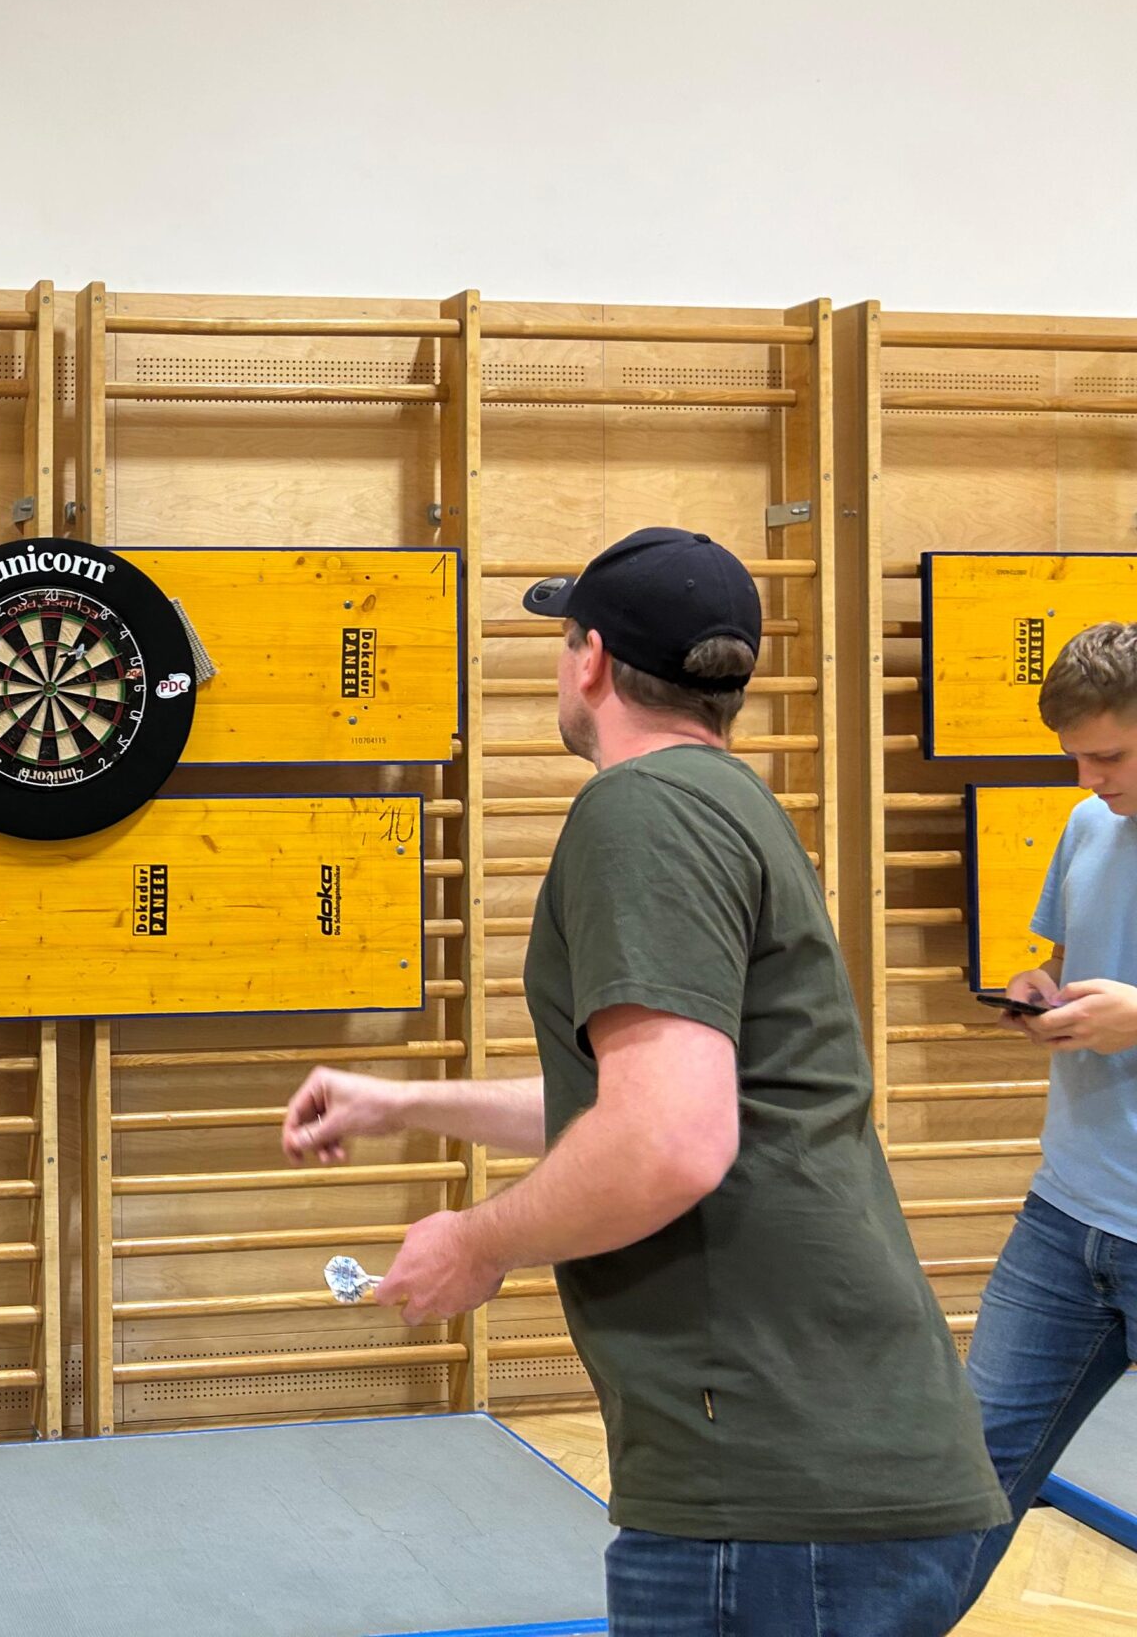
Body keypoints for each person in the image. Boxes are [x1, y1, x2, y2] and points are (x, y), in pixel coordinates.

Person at [283, 527, 1006, 1636]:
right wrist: (411, 1104)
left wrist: (477, 1242)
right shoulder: (727, 800)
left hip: (774, 1485)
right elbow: (653, 1106)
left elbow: (668, 1140)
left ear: (590, 659)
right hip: (822, 1466)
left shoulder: (641, 810)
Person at [958, 622, 1137, 1609]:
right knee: (959, 1479)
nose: (1089, 777)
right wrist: (1046, 996)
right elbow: (1070, 967)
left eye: (1110, 755)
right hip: (1063, 1220)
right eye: (1076, 756)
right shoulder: (1084, 824)